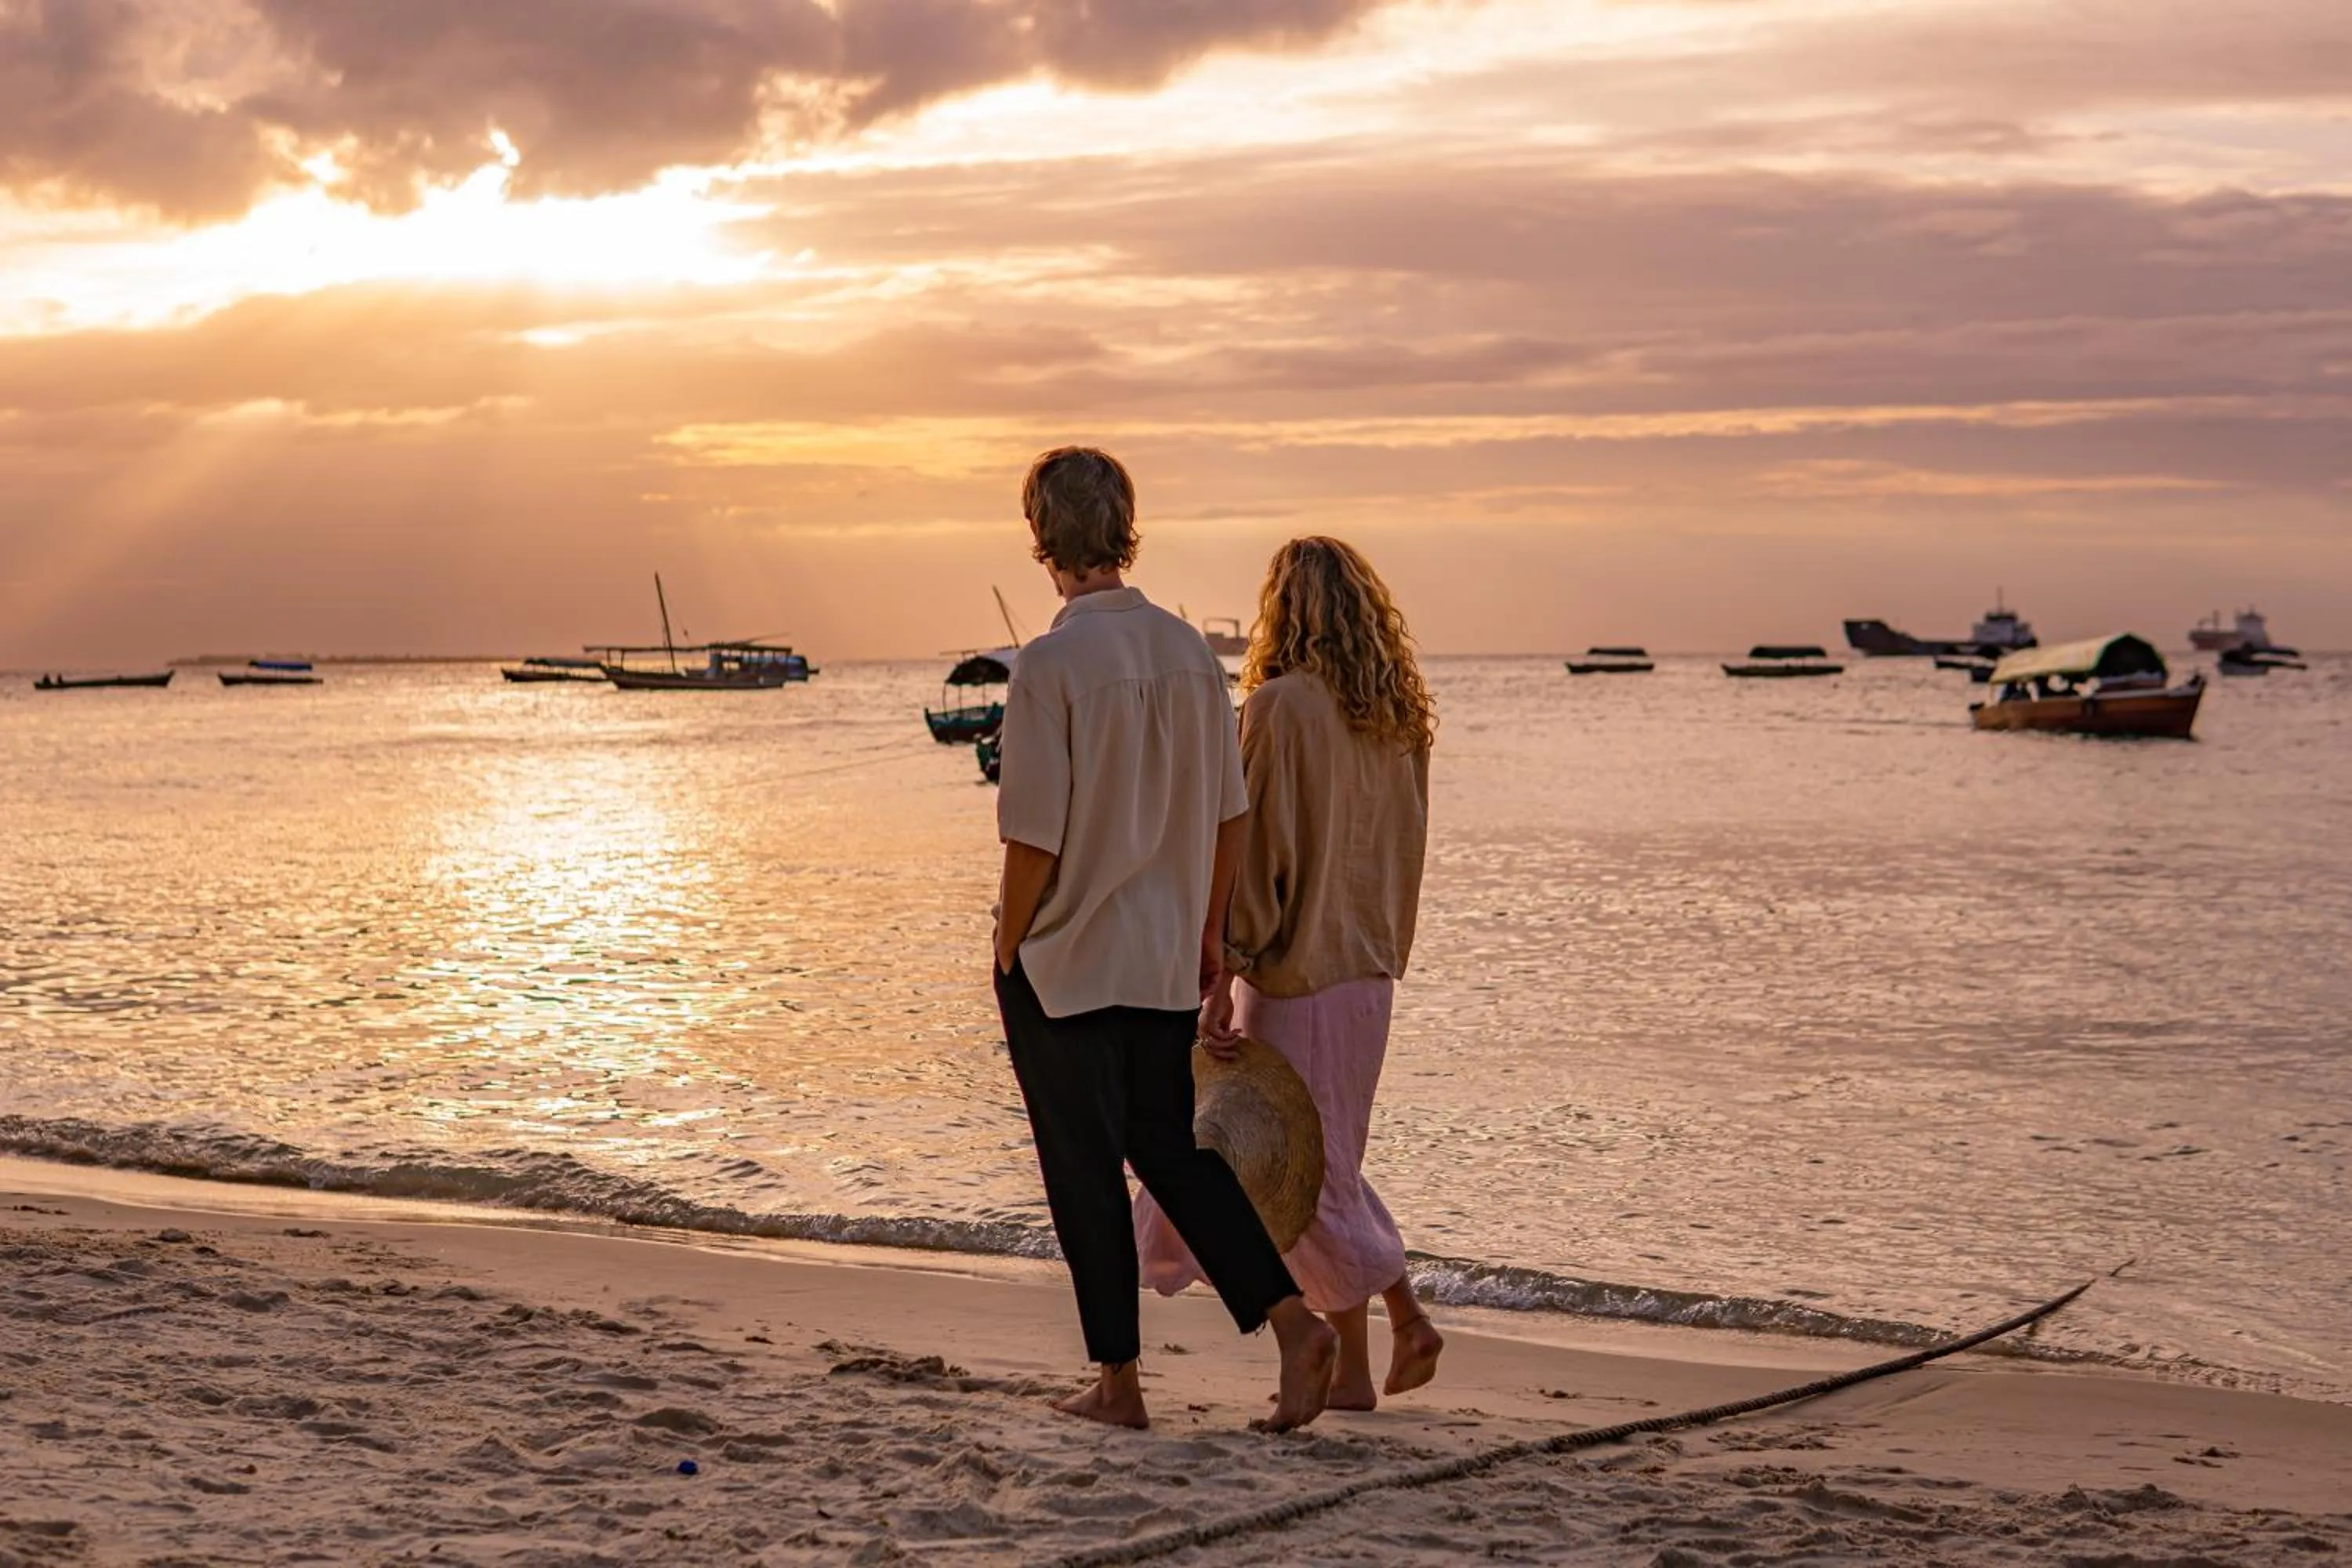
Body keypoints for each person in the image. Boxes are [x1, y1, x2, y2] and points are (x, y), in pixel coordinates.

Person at [992, 447, 1338, 1432]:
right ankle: (1291, 1320)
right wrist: (1211, 938)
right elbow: (1229, 812)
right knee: (1173, 1153)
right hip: (1157, 957)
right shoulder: (1192, 652)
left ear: (1042, 539)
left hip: (1064, 960)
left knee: (1083, 1166)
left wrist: (1007, 943)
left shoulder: (1049, 664)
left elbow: (1033, 837)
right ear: (1125, 529)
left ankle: (1119, 1382)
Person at [1135, 535, 1445, 1410]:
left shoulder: (1278, 707)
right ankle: (1375, 1347)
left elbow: (1255, 848)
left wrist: (1224, 967)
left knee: (1293, 1169)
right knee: (1323, 1158)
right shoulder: (1396, 721)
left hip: (1298, 972)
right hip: (1369, 973)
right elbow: (1405, 856)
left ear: (1284, 609)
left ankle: (1390, 1327)